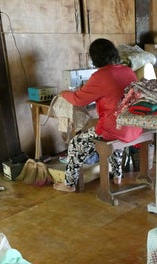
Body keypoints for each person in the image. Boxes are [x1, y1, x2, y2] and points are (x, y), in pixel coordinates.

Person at [54, 38, 142, 192]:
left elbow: (78, 99)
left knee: (76, 143)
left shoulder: (100, 76)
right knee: (115, 131)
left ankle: (69, 184)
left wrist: (63, 93)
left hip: (115, 129)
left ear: (94, 58)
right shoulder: (128, 71)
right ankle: (117, 176)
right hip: (133, 126)